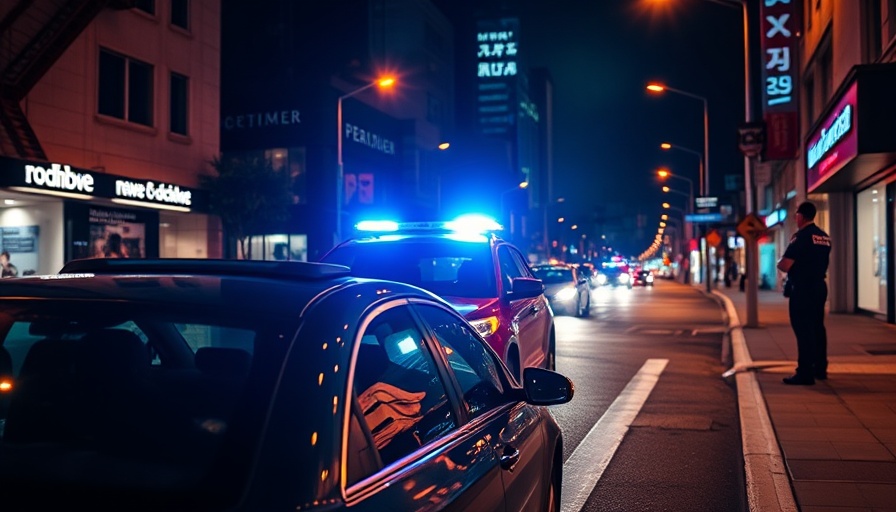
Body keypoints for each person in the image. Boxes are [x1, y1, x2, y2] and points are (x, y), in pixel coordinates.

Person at [777, 201, 831, 385]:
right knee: (818, 328)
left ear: (801, 216)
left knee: (803, 329)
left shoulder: (801, 237)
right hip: (819, 287)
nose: (795, 218)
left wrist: (780, 263)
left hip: (803, 288)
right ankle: (820, 368)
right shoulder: (824, 237)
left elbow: (785, 264)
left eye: (796, 215)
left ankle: (805, 372)